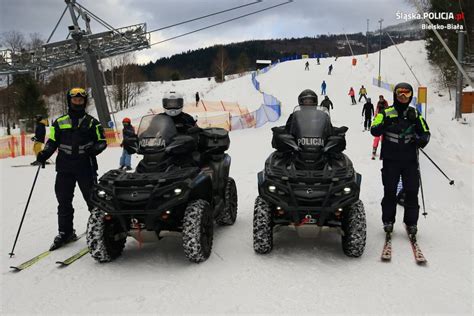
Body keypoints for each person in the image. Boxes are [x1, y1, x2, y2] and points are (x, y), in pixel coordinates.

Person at [36, 87, 107, 250]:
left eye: (81, 100)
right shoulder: (59, 122)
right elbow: (52, 141)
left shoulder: (92, 122)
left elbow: (102, 141)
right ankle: (65, 232)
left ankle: (102, 231)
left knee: (93, 201)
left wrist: (95, 149)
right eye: (75, 100)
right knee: (63, 201)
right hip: (64, 168)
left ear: (84, 102)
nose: (78, 102)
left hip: (85, 167)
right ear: (70, 101)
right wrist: (44, 154)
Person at [370, 82, 430, 239]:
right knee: (389, 191)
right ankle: (388, 220)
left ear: (410, 96)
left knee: (411, 191)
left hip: (409, 160)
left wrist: (421, 140)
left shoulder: (414, 114)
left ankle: (411, 223)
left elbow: (426, 132)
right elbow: (374, 129)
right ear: (395, 95)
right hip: (391, 160)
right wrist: (384, 124)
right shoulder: (386, 112)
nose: (403, 97)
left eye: (407, 94)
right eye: (400, 94)